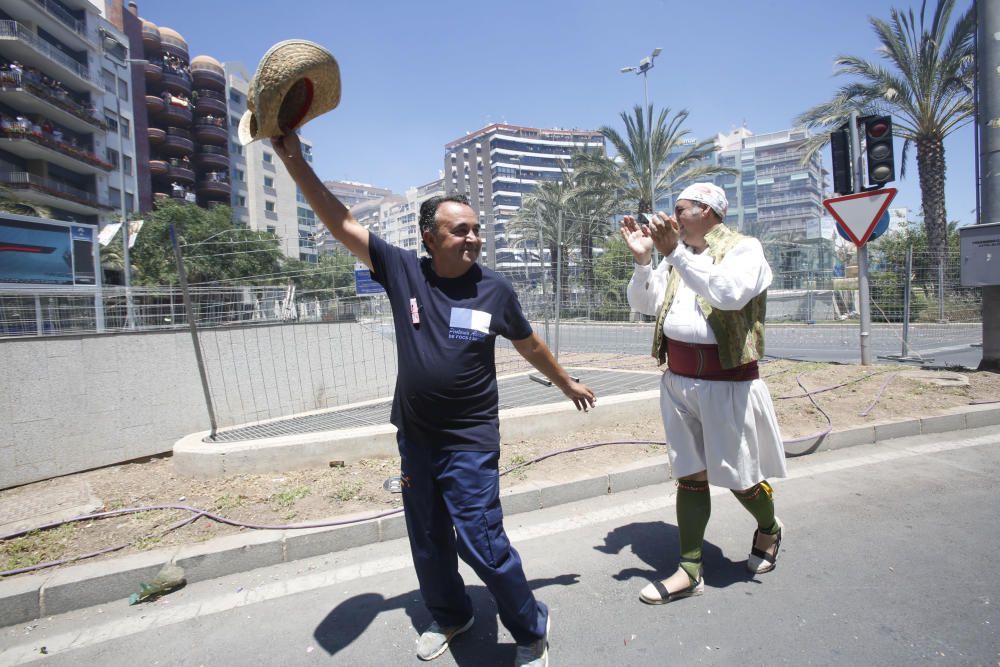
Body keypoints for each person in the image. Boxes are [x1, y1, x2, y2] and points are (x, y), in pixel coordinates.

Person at [272, 130, 595, 666]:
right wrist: (292, 158)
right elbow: (341, 222)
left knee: (481, 539)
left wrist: (566, 383)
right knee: (427, 537)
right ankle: (452, 614)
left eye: (476, 231)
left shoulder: (495, 289)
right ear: (428, 236)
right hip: (417, 437)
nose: (472, 239)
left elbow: (529, 342)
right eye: (459, 231)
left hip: (469, 439)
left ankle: (531, 624)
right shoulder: (403, 272)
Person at [621, 182, 787, 605]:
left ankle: (769, 527)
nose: (672, 216)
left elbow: (728, 295)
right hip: (678, 381)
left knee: (740, 477)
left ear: (709, 210)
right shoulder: (678, 258)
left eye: (681, 208)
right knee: (690, 473)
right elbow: (644, 303)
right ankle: (689, 569)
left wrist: (673, 252)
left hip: (727, 383)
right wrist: (644, 262)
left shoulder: (744, 250)